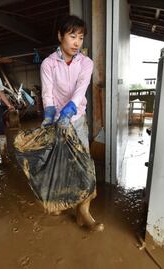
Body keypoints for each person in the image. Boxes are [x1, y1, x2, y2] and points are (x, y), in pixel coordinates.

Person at [40, 15, 104, 232]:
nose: (77, 42)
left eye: (81, 37)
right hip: (57, 123)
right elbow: (47, 93)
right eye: (72, 36)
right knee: (59, 164)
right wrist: (50, 115)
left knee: (84, 165)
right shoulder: (48, 63)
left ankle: (83, 211)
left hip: (76, 120)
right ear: (60, 36)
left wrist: (70, 109)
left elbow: (80, 90)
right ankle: (59, 202)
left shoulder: (86, 63)